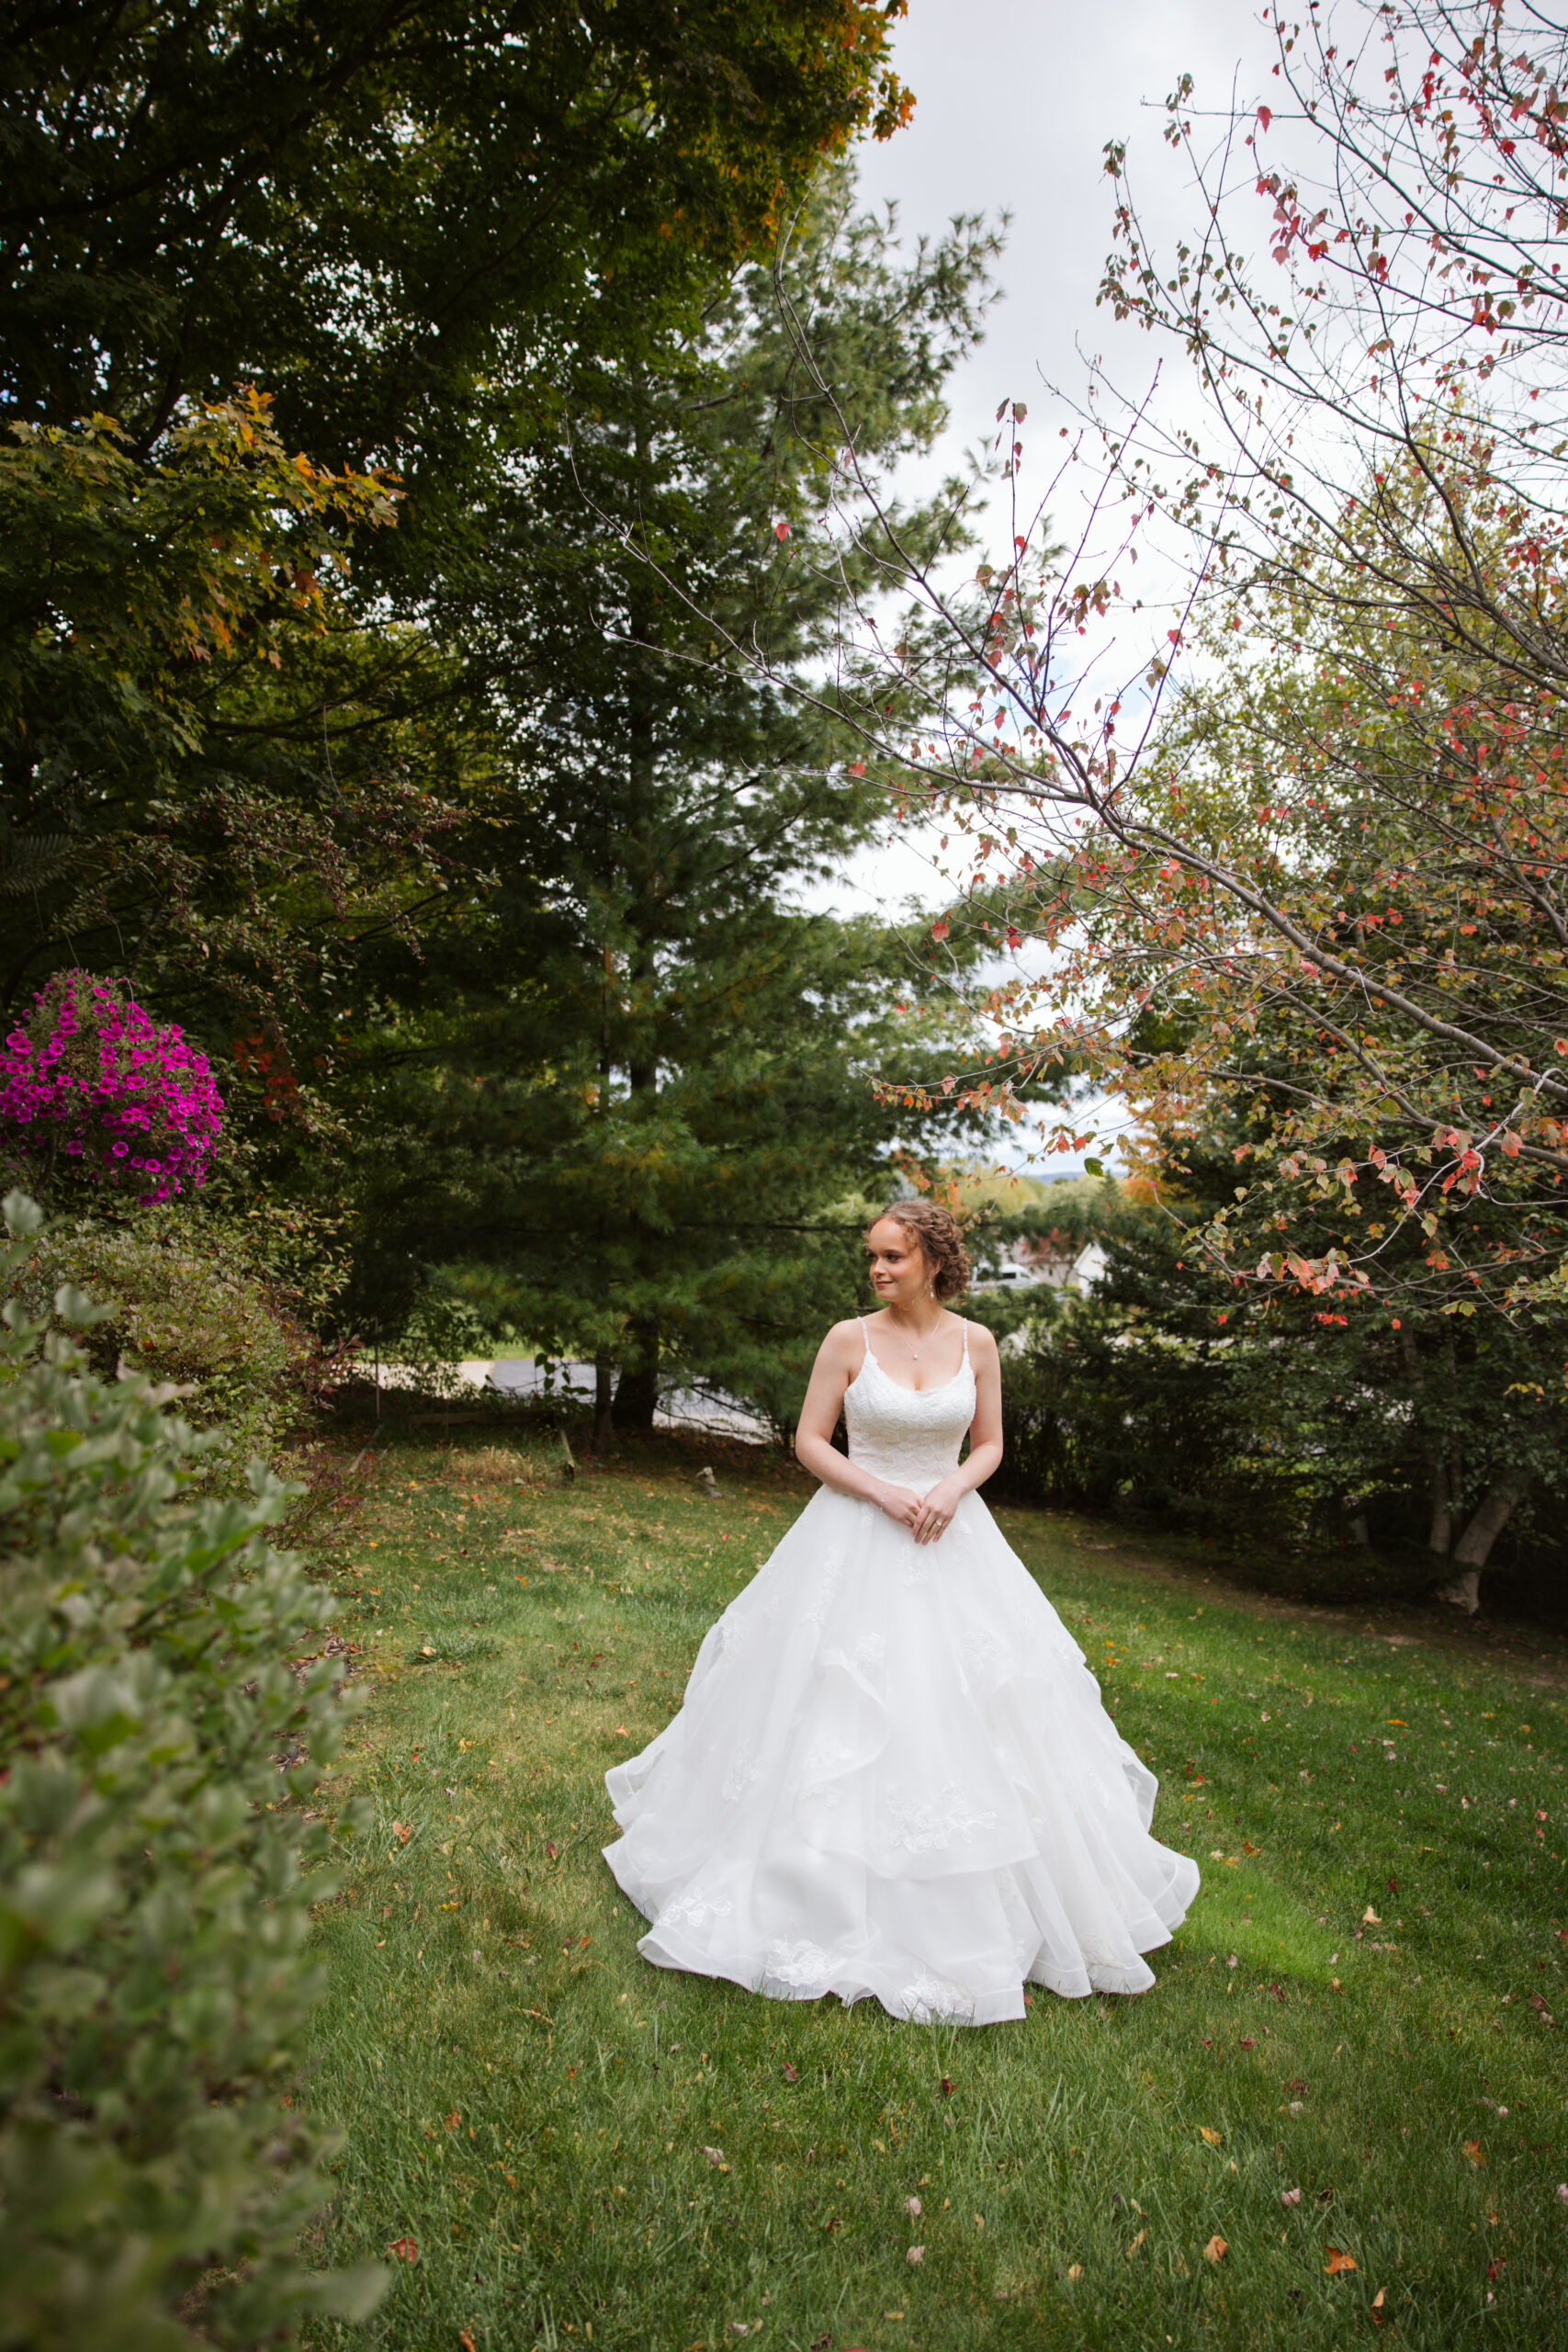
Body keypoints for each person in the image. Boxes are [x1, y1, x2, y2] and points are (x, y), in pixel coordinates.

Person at [602, 1199, 1199, 2024]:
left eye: (892, 1257)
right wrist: (881, 1490)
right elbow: (810, 1442)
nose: (877, 1270)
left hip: (953, 1536)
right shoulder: (848, 1339)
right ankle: (811, 1885)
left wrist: (950, 1486)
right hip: (854, 1530)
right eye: (872, 1257)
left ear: (933, 1262)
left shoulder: (976, 1343)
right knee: (829, 1702)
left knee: (976, 1706)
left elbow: (988, 1444)